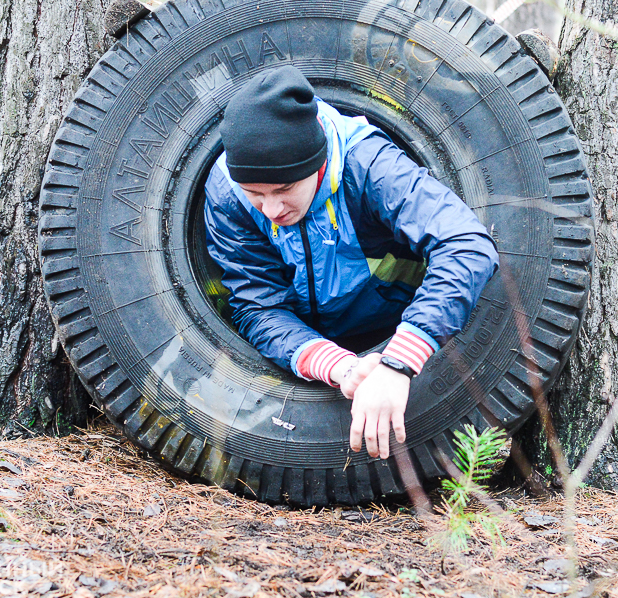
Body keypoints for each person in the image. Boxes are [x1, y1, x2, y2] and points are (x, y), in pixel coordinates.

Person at [203, 66, 498, 460]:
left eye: (285, 188)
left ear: (318, 160)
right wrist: (339, 367)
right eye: (255, 192)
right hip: (313, 349)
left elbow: (466, 245)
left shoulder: (370, 166)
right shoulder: (227, 192)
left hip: (397, 327)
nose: (271, 208)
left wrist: (398, 363)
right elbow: (259, 306)